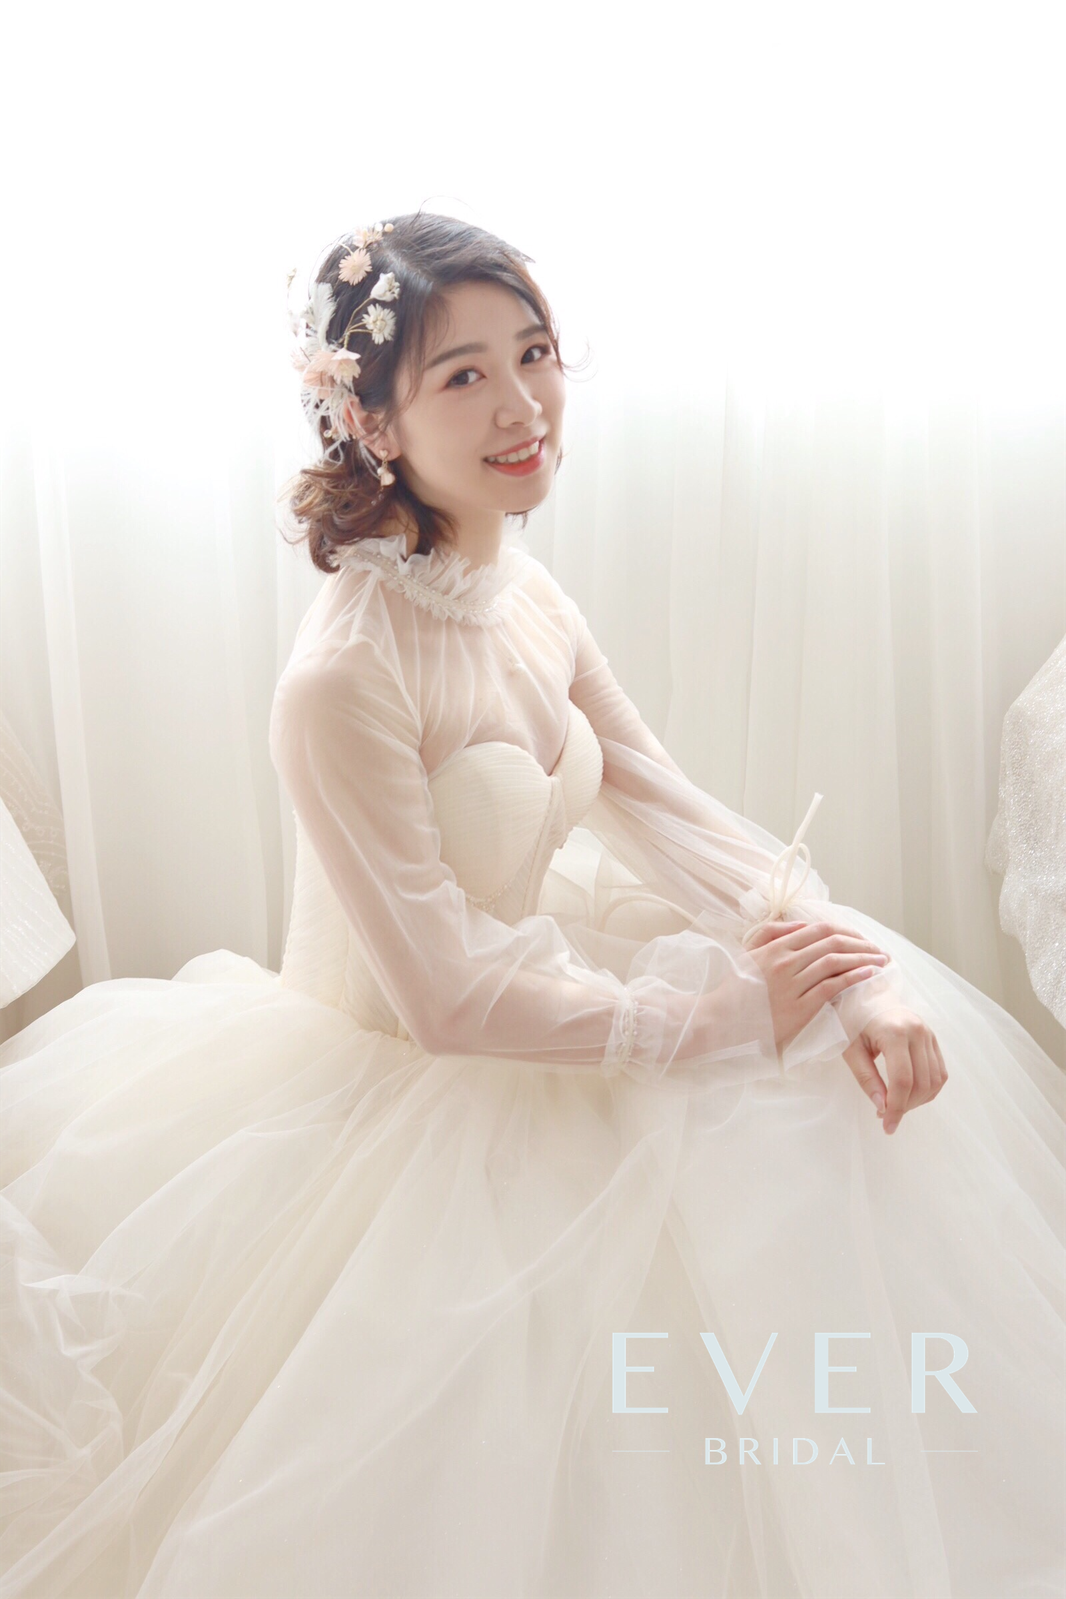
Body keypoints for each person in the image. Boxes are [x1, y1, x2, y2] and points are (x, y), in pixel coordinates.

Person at [0, 209, 1062, 1599]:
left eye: (537, 354)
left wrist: (856, 967)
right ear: (369, 421)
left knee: (818, 1103)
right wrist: (713, 1017)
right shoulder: (343, 676)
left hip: (550, 994)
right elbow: (445, 998)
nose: (524, 406)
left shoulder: (524, 590)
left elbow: (667, 809)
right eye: (464, 375)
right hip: (406, 1083)